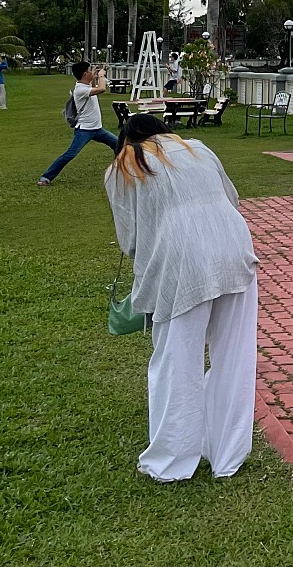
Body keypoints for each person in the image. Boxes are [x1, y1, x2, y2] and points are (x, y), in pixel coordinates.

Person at [104, 113, 259, 482]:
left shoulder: (122, 167)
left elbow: (129, 239)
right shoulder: (198, 148)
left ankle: (171, 462)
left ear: (126, 138)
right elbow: (231, 198)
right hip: (235, 249)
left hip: (182, 264)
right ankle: (227, 457)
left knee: (176, 360)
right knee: (234, 358)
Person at [39, 62, 119, 186]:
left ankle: (120, 169)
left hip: (98, 129)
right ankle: (46, 177)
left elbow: (91, 81)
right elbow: (102, 89)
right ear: (85, 74)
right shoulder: (81, 90)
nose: (93, 72)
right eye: (90, 70)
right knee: (70, 154)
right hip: (85, 130)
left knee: (119, 145)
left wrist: (98, 71)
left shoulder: (86, 84)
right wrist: (102, 76)